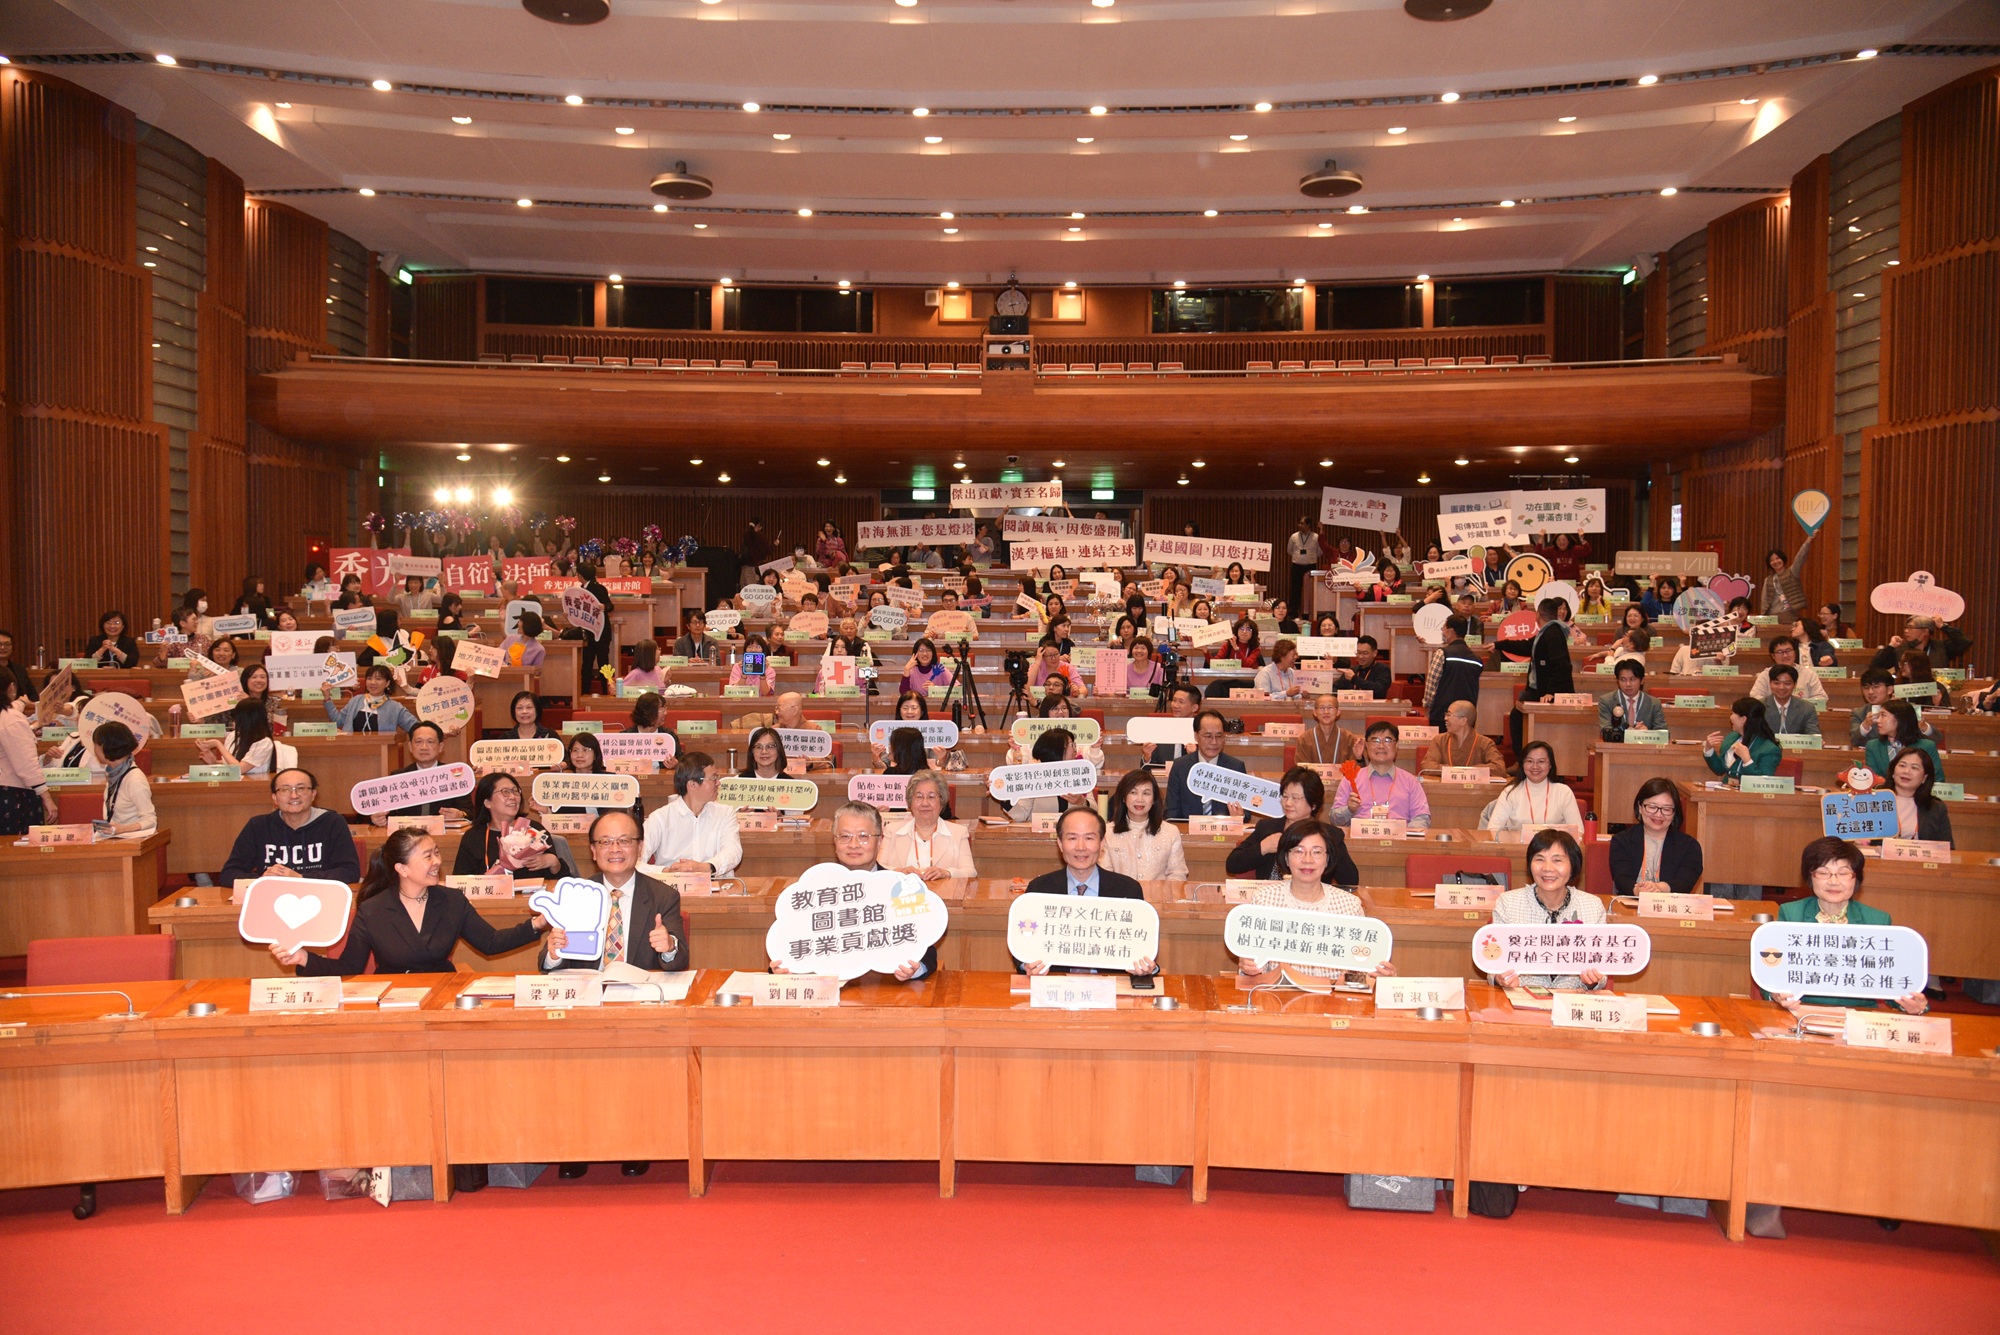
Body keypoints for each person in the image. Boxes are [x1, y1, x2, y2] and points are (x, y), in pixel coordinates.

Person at [274, 829, 549, 975]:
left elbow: (490, 942)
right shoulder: (372, 910)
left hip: (442, 991)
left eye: (437, 853)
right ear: (402, 869)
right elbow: (349, 967)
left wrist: (536, 924)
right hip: (392, 996)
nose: (437, 861)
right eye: (428, 856)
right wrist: (303, 958)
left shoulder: (452, 900)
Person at [1235, 821, 1396, 986]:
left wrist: (1376, 976)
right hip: (1279, 996)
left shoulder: (1349, 905)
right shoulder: (1264, 900)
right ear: (1286, 858)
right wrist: (1248, 967)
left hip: (1333, 998)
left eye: (1317, 852)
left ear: (1327, 859)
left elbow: (1359, 974)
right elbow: (1253, 974)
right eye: (1298, 851)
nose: (1307, 860)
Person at [1016, 806, 1158, 977]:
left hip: (1111, 986)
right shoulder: (1039, 889)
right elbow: (1023, 943)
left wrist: (1148, 967)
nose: (1081, 847)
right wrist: (1026, 965)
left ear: (1102, 843)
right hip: (1055, 984)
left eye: (1089, 838)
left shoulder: (1127, 890)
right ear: (1060, 843)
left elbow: (1142, 946)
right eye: (1072, 838)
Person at [1487, 829, 1609, 991]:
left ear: (1573, 866)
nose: (1547, 868)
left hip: (1572, 999)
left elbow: (1602, 973)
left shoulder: (1592, 906)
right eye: (1539, 859)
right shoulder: (1508, 903)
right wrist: (1499, 977)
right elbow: (1492, 963)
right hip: (1522, 997)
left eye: (1557, 860)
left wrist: (1592, 981)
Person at [219, 767, 362, 883]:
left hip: (320, 898)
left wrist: (300, 878)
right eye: (285, 790)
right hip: (272, 899)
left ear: (313, 794)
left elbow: (350, 871)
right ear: (274, 798)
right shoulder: (258, 826)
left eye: (301, 788)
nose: (294, 796)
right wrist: (262, 880)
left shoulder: (332, 822)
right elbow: (229, 874)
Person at [1225, 767, 1358, 883]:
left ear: (1313, 804)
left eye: (1295, 798)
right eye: (1285, 796)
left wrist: (1328, 848)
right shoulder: (1267, 828)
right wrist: (1263, 847)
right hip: (1271, 899)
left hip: (1311, 900)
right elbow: (1232, 864)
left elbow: (1351, 880)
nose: (1288, 803)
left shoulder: (1330, 835)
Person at [453, 771, 574, 879]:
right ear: (487, 802)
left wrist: (554, 863)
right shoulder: (474, 837)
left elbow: (564, 879)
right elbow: (461, 882)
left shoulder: (533, 829)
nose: (513, 797)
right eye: (505, 792)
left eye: (515, 791)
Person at [640, 751, 742, 876]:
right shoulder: (660, 818)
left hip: (715, 883)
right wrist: (666, 871)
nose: (718, 783)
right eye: (713, 778)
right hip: (672, 884)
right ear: (692, 784)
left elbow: (733, 851)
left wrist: (707, 867)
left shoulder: (725, 813)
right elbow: (635, 861)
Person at [1608, 778, 1704, 895]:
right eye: (1652, 807)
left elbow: (1684, 882)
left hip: (1671, 904)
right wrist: (1638, 890)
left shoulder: (1690, 846)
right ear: (1640, 807)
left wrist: (1659, 888)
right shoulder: (1622, 841)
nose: (1658, 814)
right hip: (1632, 902)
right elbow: (1621, 878)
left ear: (1674, 813)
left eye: (1666, 809)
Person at [1331, 722, 1432, 830]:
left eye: (1387, 740)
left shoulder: (1410, 781)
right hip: (1361, 837)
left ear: (1396, 745)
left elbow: (1422, 817)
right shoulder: (1351, 779)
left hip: (1399, 837)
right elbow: (1334, 819)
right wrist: (1349, 810)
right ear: (1366, 745)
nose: (1381, 746)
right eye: (1375, 741)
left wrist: (1405, 834)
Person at [370, 720, 470, 826]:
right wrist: (378, 819)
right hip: (407, 833)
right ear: (410, 746)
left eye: (430, 742)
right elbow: (386, 814)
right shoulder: (398, 777)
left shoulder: (455, 776)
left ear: (440, 747)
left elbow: (469, 813)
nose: (424, 747)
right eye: (418, 742)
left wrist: (460, 815)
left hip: (444, 833)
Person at [881, 769, 976, 880]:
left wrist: (946, 873)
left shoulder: (958, 833)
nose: (925, 803)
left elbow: (970, 872)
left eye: (931, 797)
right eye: (919, 797)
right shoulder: (892, 831)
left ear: (942, 802)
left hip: (943, 891)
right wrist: (899, 872)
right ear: (910, 802)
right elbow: (879, 868)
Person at [1510, 596, 1574, 754]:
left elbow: (1562, 666)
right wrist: (1498, 645)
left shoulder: (1553, 633)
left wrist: (1551, 692)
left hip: (1548, 692)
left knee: (1517, 716)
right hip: (1539, 689)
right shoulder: (1547, 632)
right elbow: (1527, 646)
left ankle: (1522, 759)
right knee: (1518, 714)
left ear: (1538, 614)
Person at [1102, 769, 1190, 881]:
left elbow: (1178, 874)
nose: (1140, 799)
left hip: (1159, 892)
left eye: (1146, 793)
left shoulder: (1170, 832)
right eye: (1133, 792)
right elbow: (1105, 877)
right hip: (1121, 892)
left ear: (1153, 799)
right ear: (1124, 797)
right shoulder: (1107, 832)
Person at [1164, 710, 1245, 821]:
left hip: (1224, 829)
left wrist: (1239, 816)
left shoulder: (1235, 767)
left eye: (1219, 736)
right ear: (1196, 736)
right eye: (1208, 736)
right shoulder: (1180, 766)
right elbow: (1171, 812)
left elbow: (1246, 812)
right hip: (1188, 829)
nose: (1214, 742)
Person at [1484, 741, 1582, 831]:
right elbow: (1493, 829)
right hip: (1517, 844)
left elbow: (1578, 831)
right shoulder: (1510, 792)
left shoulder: (1564, 792)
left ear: (1550, 765)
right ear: (1522, 764)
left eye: (1541, 761)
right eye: (1530, 761)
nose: (1535, 766)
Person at [1007, 727, 1094, 823]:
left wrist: (1082, 802)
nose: (1075, 750)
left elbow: (1096, 811)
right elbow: (1021, 815)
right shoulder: (1034, 776)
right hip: (1039, 831)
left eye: (1074, 744)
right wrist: (1003, 797)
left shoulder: (1080, 774)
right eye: (1071, 745)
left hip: (1073, 831)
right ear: (1057, 749)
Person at [198, 698, 299, 777]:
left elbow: (239, 769)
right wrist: (215, 762)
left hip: (254, 787)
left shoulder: (264, 742)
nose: (234, 721)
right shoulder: (233, 736)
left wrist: (218, 744)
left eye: (237, 718)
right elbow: (233, 764)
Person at [88, 721, 156, 836]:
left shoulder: (134, 779)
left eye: (96, 745)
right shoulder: (113, 774)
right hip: (115, 837)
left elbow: (150, 820)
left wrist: (122, 829)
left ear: (106, 746)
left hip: (132, 839)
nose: (94, 749)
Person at [324, 663, 418, 735]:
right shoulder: (356, 701)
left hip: (381, 751)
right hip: (352, 749)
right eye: (369, 678)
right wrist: (327, 698)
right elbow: (337, 721)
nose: (373, 682)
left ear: (387, 683)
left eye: (378, 679)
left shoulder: (395, 707)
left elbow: (415, 727)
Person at [1424, 616, 1484, 727]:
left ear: (1451, 631)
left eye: (1444, 628)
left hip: (1442, 714)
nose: (1442, 631)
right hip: (1467, 716)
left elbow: (1431, 685)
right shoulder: (1477, 660)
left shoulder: (1442, 654)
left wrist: (1427, 705)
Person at [1703, 697, 1781, 780]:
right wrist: (1708, 749)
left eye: (1733, 713)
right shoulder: (1731, 737)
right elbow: (1720, 770)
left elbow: (1763, 782)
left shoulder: (1769, 749)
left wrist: (1747, 760)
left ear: (1743, 719)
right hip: (1726, 787)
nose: (1730, 717)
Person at [1863, 700, 1942, 782]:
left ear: (1900, 719)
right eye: (1878, 716)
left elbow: (1937, 779)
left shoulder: (1927, 746)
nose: (1878, 720)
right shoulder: (1873, 746)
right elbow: (1874, 780)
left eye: (1883, 715)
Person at [1886, 748, 1952, 844]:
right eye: (1902, 765)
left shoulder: (1936, 808)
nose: (1906, 771)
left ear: (1924, 778)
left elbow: (1946, 847)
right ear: (1893, 771)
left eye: (1914, 768)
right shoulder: (1874, 799)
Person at [1419, 700, 1503, 774]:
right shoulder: (1439, 740)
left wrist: (1467, 771)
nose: (1445, 718)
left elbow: (1499, 768)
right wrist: (1452, 771)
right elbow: (1427, 765)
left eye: (1449, 715)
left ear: (1463, 720)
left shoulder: (1485, 743)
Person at [1138, 682, 1205, 770]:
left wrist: (1196, 756)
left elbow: (1209, 769)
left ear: (1194, 708)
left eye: (1181, 702)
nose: (1175, 705)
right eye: (1174, 700)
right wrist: (1147, 757)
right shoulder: (1160, 728)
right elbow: (1146, 769)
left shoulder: (1203, 732)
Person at [1748, 636, 1826, 704]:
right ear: (1773, 656)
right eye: (1780, 652)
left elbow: (1821, 698)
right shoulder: (1765, 675)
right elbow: (1755, 697)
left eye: (1788, 651)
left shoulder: (1809, 674)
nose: (1785, 655)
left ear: (1795, 652)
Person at [1598, 661, 1665, 737]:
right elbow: (1605, 731)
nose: (1628, 684)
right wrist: (1631, 733)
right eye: (1623, 680)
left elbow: (1663, 733)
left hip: (1644, 744)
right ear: (1617, 681)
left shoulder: (1654, 703)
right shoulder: (1607, 701)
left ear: (1642, 680)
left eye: (1632, 679)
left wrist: (1647, 733)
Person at [1297, 694, 1363, 769]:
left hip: (1342, 777)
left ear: (1338, 712)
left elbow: (1356, 770)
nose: (1326, 712)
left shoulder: (1349, 738)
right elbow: (1301, 770)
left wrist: (1359, 758)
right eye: (1322, 708)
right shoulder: (1304, 739)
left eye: (1330, 708)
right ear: (1315, 712)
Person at [1757, 542, 1813, 621]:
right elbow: (1764, 600)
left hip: (1788, 614)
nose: (1775, 561)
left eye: (1777, 558)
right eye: (1771, 560)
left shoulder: (1792, 572)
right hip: (1772, 616)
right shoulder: (1768, 580)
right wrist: (1763, 616)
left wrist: (1808, 540)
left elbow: (1800, 557)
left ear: (1783, 559)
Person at [1760, 664, 1820, 737]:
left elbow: (1813, 735)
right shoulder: (1759, 706)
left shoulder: (1807, 708)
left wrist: (1816, 740)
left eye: (1787, 683)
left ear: (1795, 685)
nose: (1781, 687)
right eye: (1776, 683)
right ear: (1770, 683)